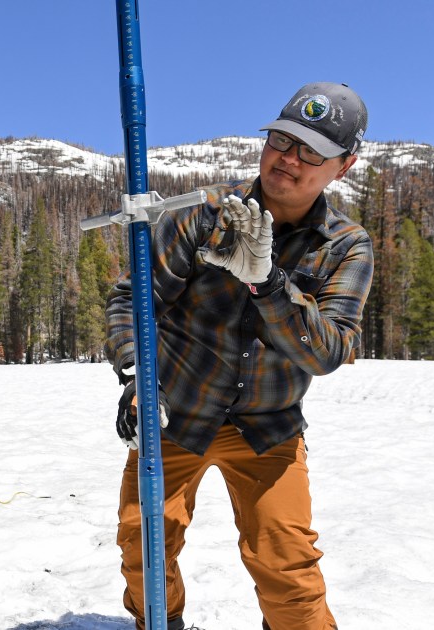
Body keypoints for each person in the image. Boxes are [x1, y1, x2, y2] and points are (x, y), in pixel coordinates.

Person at [105, 83, 373, 630]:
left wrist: (268, 284)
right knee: (143, 546)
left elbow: (330, 351)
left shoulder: (345, 245)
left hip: (268, 428)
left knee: (286, 565)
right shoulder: (203, 214)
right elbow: (134, 299)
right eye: (281, 140)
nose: (288, 158)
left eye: (310, 152)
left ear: (343, 167)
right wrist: (137, 376)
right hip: (175, 416)